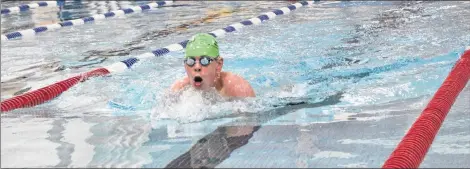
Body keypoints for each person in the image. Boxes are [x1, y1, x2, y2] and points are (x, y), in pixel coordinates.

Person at [170, 33, 256, 98]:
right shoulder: (178, 91)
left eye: (204, 61)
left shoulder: (237, 87)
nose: (196, 67)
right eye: (190, 61)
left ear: (218, 65)